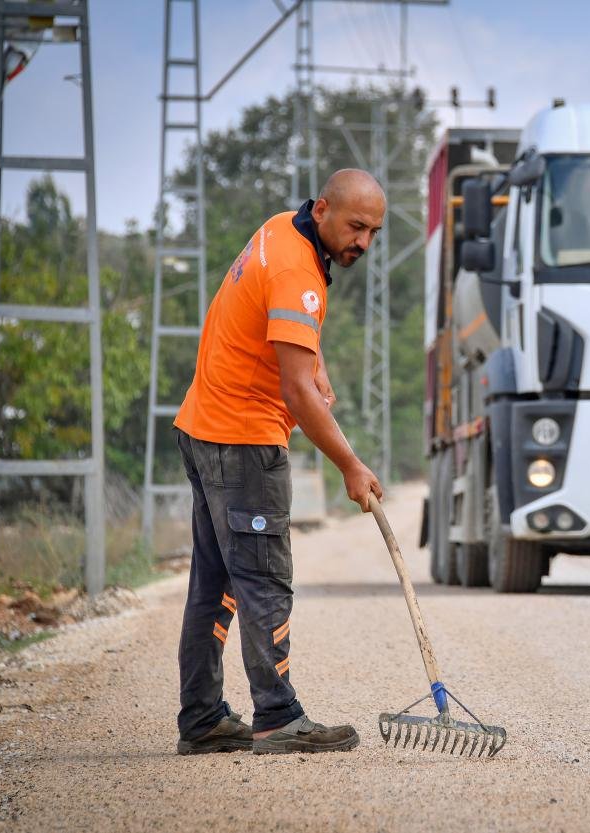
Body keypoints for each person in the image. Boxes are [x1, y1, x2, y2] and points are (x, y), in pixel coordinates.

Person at [172, 169, 385, 755]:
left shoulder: (280, 231)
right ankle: (277, 715)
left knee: (214, 585)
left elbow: (283, 344)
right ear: (322, 210)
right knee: (263, 580)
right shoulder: (299, 270)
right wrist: (350, 464)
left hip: (204, 426)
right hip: (242, 440)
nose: (363, 242)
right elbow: (296, 393)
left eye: (373, 232)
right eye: (355, 226)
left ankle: (203, 719)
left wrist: (313, 364)